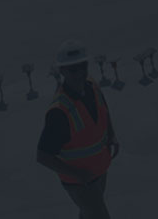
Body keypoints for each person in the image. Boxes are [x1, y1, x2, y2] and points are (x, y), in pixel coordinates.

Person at [36, 40, 119, 219]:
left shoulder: (92, 86)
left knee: (89, 213)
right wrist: (78, 175)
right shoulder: (59, 112)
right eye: (72, 69)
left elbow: (104, 110)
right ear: (62, 71)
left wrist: (112, 134)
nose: (80, 72)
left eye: (83, 66)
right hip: (80, 183)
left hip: (100, 172)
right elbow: (43, 156)